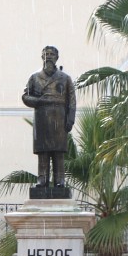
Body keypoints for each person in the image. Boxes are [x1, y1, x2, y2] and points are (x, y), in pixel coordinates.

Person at [22, 45, 76, 189]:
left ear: (57, 57)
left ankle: (60, 180)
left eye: (52, 54)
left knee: (58, 152)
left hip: (59, 116)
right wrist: (38, 101)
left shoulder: (65, 78)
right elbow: (25, 96)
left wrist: (70, 119)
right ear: (42, 57)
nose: (49, 56)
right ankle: (42, 179)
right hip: (42, 117)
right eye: (46, 54)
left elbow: (71, 100)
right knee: (43, 152)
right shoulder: (34, 77)